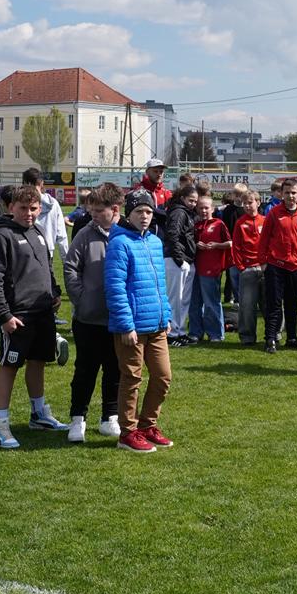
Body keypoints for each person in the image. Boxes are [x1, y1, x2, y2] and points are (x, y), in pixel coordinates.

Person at [0, 184, 67, 449]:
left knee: (38, 361)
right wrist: (4, 315)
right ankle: (0, 424)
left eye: (33, 208)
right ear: (11, 208)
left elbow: (46, 266)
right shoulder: (2, 236)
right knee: (9, 366)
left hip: (42, 312)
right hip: (17, 315)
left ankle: (38, 414)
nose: (28, 213)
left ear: (40, 209)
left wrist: (54, 292)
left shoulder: (39, 231)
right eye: (23, 208)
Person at [104, 189, 174, 453]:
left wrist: (166, 314)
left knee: (163, 377)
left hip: (157, 324)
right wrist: (126, 325)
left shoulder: (154, 241)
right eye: (139, 211)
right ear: (128, 214)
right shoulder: (119, 243)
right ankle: (128, 432)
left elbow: (159, 284)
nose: (145, 216)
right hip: (132, 327)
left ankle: (148, 425)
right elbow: (115, 287)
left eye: (148, 211)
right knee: (132, 378)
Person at [61, 186, 123, 442]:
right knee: (85, 370)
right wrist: (82, 299)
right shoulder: (85, 234)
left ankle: (110, 417)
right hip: (88, 319)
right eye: (91, 210)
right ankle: (78, 418)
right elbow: (70, 268)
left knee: (115, 369)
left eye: (98, 211)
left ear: (115, 210)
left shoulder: (126, 234)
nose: (93, 214)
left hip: (118, 319)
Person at [261, 179, 297, 353]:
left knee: (292, 304)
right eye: (287, 193)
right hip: (276, 264)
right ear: (281, 194)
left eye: (293, 193)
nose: (290, 196)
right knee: (274, 304)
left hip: (296, 266)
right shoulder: (274, 213)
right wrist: (263, 261)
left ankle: (291, 337)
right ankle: (270, 338)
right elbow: (264, 238)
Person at [162, 184, 199, 346]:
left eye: (195, 201)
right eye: (191, 200)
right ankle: (171, 334)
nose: (193, 203)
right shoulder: (178, 212)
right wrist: (179, 259)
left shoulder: (186, 212)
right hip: (176, 260)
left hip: (185, 260)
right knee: (175, 299)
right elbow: (172, 235)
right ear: (183, 198)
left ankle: (180, 331)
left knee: (183, 300)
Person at [190, 194, 230, 342]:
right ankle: (195, 332)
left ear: (212, 208)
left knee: (211, 303)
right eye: (200, 208)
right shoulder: (195, 225)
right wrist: (195, 245)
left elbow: (230, 243)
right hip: (195, 268)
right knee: (195, 303)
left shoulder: (219, 224)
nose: (203, 211)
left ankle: (216, 334)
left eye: (206, 208)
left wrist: (217, 245)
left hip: (211, 268)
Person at [231, 190, 267, 345]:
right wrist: (241, 267)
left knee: (269, 304)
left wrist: (267, 264)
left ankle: (273, 335)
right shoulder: (240, 223)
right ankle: (247, 337)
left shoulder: (265, 221)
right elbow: (236, 247)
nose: (246, 205)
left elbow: (271, 243)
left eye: (250, 202)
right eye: (244, 203)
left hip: (265, 268)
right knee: (247, 306)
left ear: (258, 203)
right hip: (248, 269)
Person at [22, 168, 71, 259]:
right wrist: (66, 261)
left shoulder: (20, 203)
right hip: (46, 253)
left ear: (24, 183)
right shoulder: (54, 203)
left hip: (26, 252)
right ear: (41, 183)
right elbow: (62, 235)